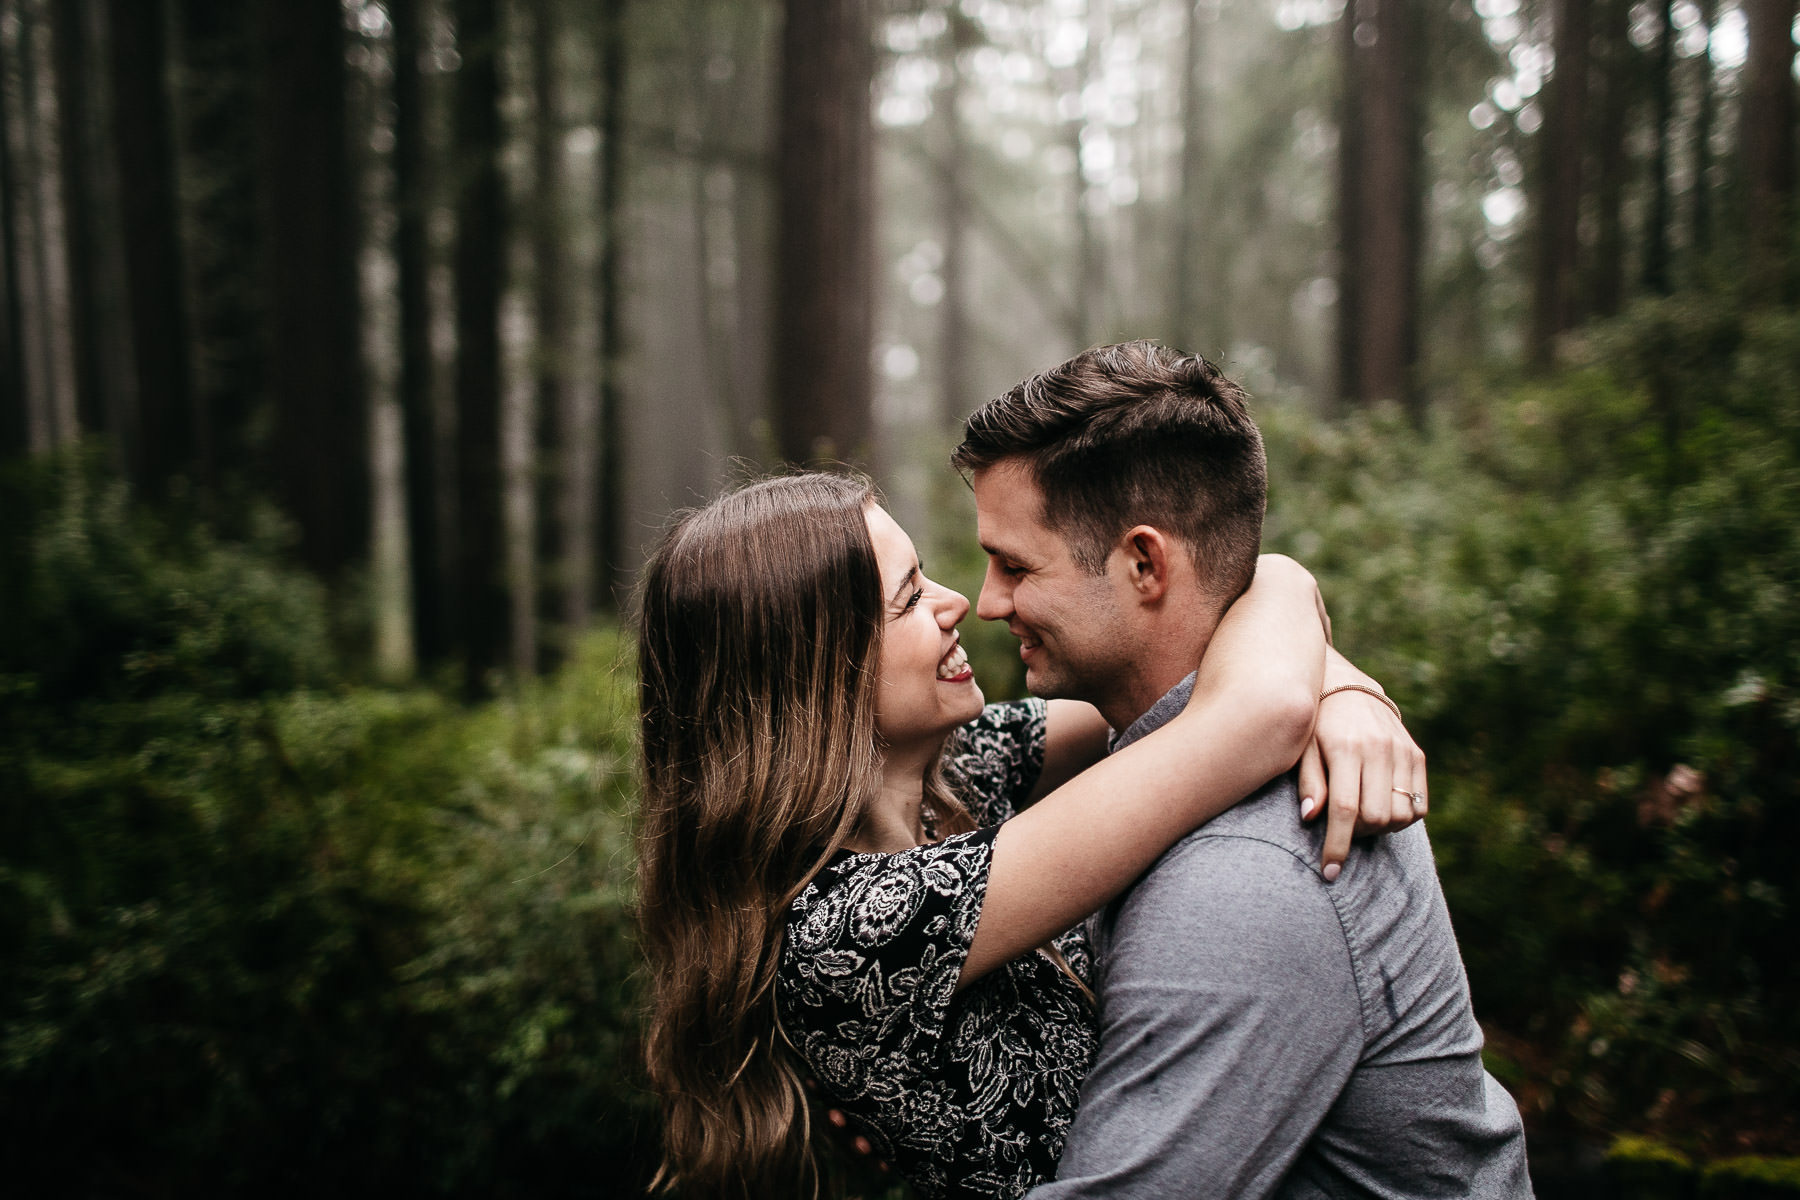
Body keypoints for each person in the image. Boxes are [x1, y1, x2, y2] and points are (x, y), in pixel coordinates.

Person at [636, 470, 1423, 1200]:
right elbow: (1247, 715)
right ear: (819, 669)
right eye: (909, 598)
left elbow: (1179, 680)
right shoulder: (848, 934)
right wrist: (1301, 619)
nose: (957, 604)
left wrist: (1346, 690)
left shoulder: (954, 776)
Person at [949, 341, 1533, 1199]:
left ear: (1145, 565)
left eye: (1016, 565)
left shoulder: (1247, 874)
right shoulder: (1174, 764)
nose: (988, 602)